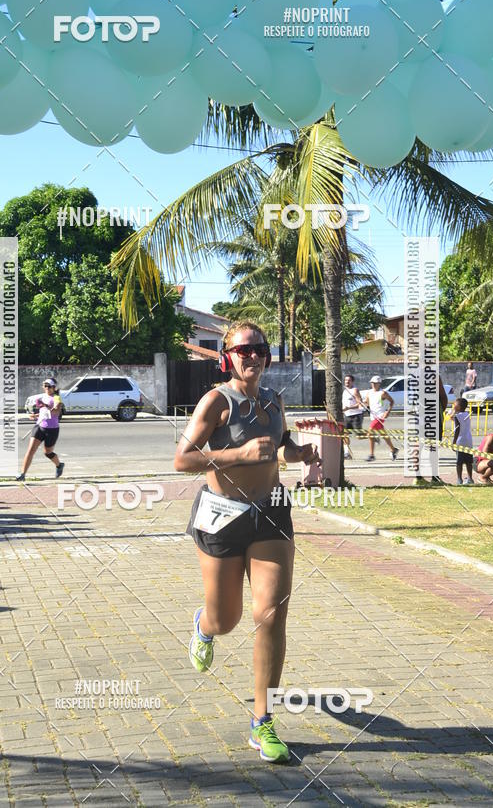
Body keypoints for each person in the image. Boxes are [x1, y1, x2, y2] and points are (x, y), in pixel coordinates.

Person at [174, 321, 320, 763]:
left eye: (259, 350)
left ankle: (263, 722)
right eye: (242, 351)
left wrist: (299, 453)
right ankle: (204, 626)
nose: (252, 356)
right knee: (228, 619)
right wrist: (237, 455)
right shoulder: (216, 401)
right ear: (227, 357)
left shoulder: (274, 400)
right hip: (222, 516)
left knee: (271, 614)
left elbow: (282, 445)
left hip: (271, 511)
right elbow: (182, 459)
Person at [17, 378, 65, 481]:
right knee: (30, 450)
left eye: (49, 386)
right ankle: (22, 474)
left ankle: (59, 465)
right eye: (45, 386)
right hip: (39, 426)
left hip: (52, 429)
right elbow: (44, 412)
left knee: (47, 452)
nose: (47, 388)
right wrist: (36, 415)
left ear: (54, 388)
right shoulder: (42, 397)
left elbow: (56, 411)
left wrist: (46, 406)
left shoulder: (57, 398)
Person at [363, 376, 398, 461]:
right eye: (372, 383)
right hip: (373, 416)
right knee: (383, 435)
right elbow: (367, 403)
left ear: (379, 384)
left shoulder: (383, 393)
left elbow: (392, 401)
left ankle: (372, 455)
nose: (373, 385)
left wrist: (387, 412)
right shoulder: (369, 393)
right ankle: (393, 449)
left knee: (370, 432)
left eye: (375, 383)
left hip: (380, 416)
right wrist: (362, 403)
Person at [446, 398, 474, 485]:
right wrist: (454, 413)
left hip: (460, 441)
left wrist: (454, 442)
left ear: (459, 407)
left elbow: (457, 429)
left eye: (455, 405)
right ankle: (470, 478)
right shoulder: (466, 414)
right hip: (468, 441)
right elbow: (454, 419)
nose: (453, 406)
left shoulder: (457, 416)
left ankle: (459, 479)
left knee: (459, 462)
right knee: (469, 461)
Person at [342, 374, 366, 459]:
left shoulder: (355, 390)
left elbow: (360, 404)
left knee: (359, 436)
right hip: (347, 416)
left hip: (356, 416)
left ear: (352, 382)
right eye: (345, 380)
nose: (347, 382)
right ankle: (346, 453)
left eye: (349, 380)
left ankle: (372, 436)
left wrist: (349, 408)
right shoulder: (345, 391)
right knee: (345, 434)